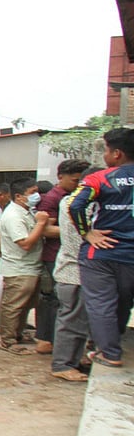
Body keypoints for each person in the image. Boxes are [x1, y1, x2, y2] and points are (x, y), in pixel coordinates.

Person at [70, 127, 134, 369]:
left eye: (106, 150)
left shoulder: (99, 178)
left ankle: (109, 353)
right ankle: (113, 344)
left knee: (101, 304)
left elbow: (75, 205)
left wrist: (87, 233)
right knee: (124, 301)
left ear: (117, 153)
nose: (105, 155)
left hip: (102, 252)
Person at [34, 159, 89, 354]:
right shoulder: (53, 199)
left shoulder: (79, 196)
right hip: (55, 255)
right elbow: (45, 229)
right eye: (75, 180)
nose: (79, 184)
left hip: (72, 256)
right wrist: (76, 229)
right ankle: (46, 339)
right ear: (60, 177)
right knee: (52, 299)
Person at [50, 168, 99, 382]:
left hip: (75, 271)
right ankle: (63, 364)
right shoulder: (79, 205)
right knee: (73, 321)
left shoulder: (71, 202)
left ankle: (73, 359)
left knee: (78, 320)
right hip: (75, 272)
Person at [0, 178, 50, 354]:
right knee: (13, 305)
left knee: (25, 305)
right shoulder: (13, 215)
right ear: (19, 196)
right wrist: (41, 224)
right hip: (18, 268)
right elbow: (25, 243)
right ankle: (8, 340)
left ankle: (17, 334)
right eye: (32, 192)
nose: (37, 196)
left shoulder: (27, 212)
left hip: (30, 266)